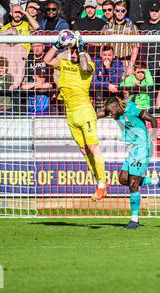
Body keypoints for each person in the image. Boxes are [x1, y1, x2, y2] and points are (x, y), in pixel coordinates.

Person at [44, 30, 108, 201]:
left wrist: (81, 49)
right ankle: (98, 182)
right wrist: (57, 45)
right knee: (83, 150)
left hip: (85, 111)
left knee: (93, 147)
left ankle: (102, 184)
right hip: (70, 113)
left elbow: (85, 66)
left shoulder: (89, 67)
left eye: (77, 52)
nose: (73, 54)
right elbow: (47, 60)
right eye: (72, 51)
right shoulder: (64, 64)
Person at [97, 96, 160, 229]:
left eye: (112, 112)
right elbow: (99, 114)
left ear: (118, 107)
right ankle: (157, 181)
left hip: (142, 147)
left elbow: (152, 119)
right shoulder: (115, 109)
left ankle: (134, 220)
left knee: (133, 184)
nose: (111, 115)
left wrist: (153, 137)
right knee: (123, 179)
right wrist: (86, 118)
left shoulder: (133, 109)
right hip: (133, 148)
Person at [100, 1, 140, 76]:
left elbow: (135, 47)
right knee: (111, 85)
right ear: (114, 11)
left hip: (126, 62)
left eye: (123, 10)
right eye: (118, 10)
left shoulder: (132, 27)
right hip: (111, 63)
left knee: (124, 86)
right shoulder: (107, 27)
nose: (120, 13)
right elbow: (102, 47)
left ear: (126, 12)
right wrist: (103, 63)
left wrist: (131, 66)